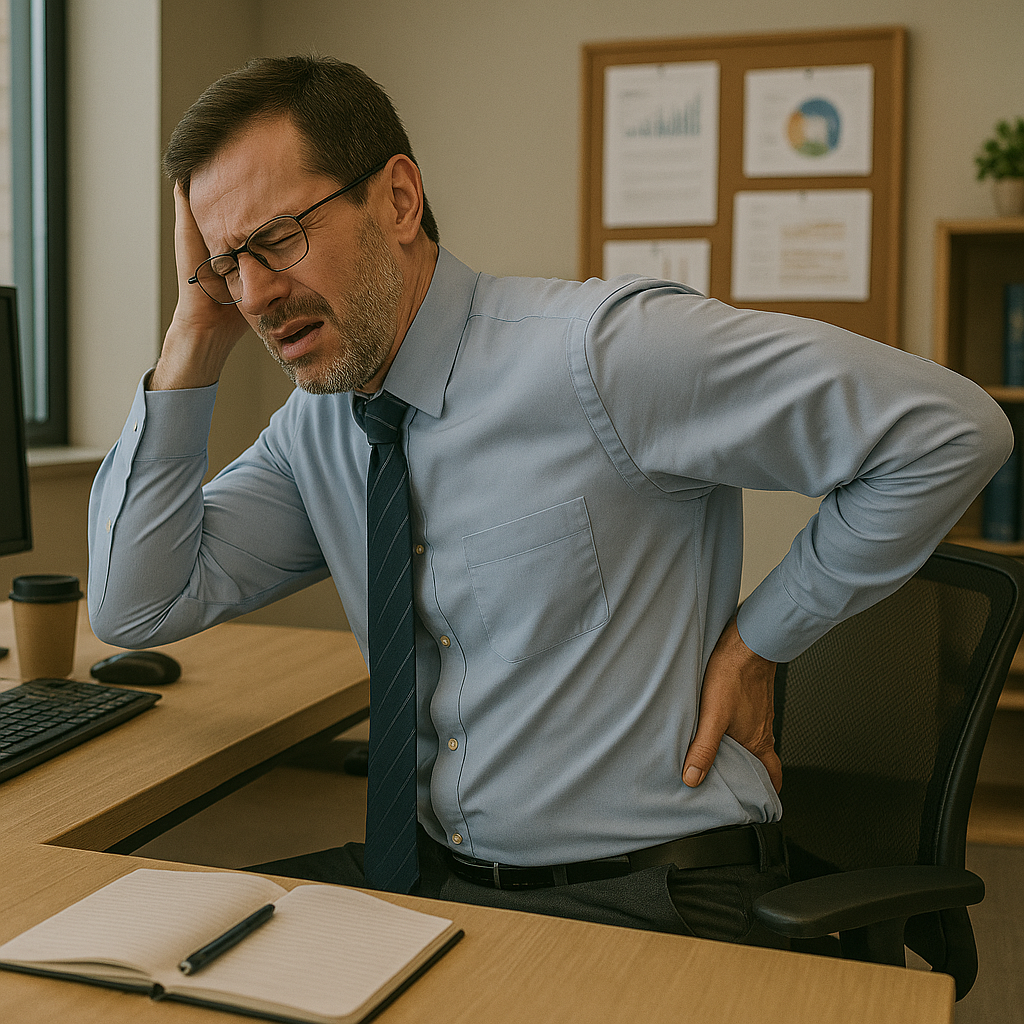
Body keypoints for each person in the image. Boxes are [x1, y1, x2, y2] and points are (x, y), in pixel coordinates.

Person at [88, 55, 1011, 947]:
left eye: (278, 239)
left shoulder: (604, 356)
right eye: (226, 263)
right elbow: (140, 603)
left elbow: (951, 429)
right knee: (138, 964)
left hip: (648, 893)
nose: (255, 293)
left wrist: (760, 638)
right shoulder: (322, 428)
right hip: (435, 885)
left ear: (398, 199)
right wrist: (190, 334)